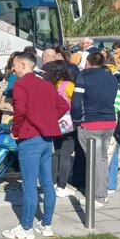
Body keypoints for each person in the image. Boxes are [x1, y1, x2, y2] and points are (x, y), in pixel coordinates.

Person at [2, 52, 70, 239]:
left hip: (29, 137)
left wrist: (15, 130)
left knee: (30, 185)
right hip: (46, 138)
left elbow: (20, 111)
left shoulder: (21, 85)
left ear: (23, 65)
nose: (13, 69)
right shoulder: (46, 84)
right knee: (47, 183)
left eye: (15, 65)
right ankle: (46, 224)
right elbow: (64, 105)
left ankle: (26, 228)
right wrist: (47, 119)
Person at [71, 51, 120, 209]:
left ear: (88, 62)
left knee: (95, 161)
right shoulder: (112, 78)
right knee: (103, 159)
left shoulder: (83, 77)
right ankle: (102, 191)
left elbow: (76, 103)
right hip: (109, 122)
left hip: (90, 122)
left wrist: (77, 119)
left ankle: (98, 196)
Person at [42, 61, 78, 198]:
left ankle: (51, 183)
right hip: (67, 124)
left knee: (55, 153)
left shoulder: (48, 85)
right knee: (66, 155)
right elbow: (75, 103)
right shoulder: (69, 85)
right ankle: (62, 186)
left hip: (52, 121)